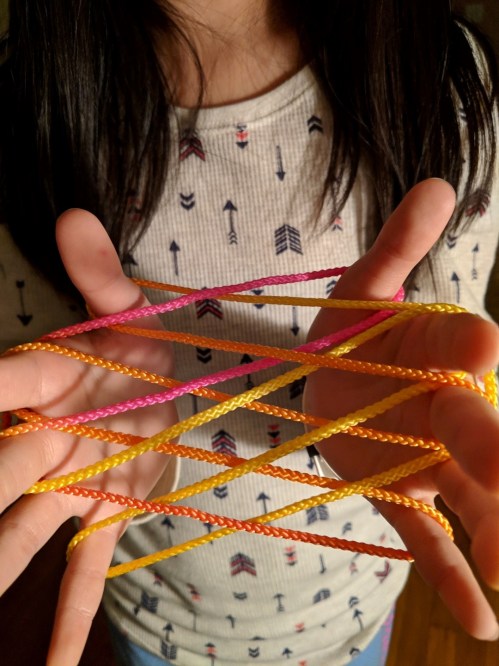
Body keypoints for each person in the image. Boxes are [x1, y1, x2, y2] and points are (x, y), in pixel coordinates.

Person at [0, 1, 498, 664]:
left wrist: (429, 397)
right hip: (157, 620)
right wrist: (100, 440)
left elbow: (464, 351)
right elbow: (36, 383)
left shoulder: (441, 78)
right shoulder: (25, 107)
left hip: (354, 608)